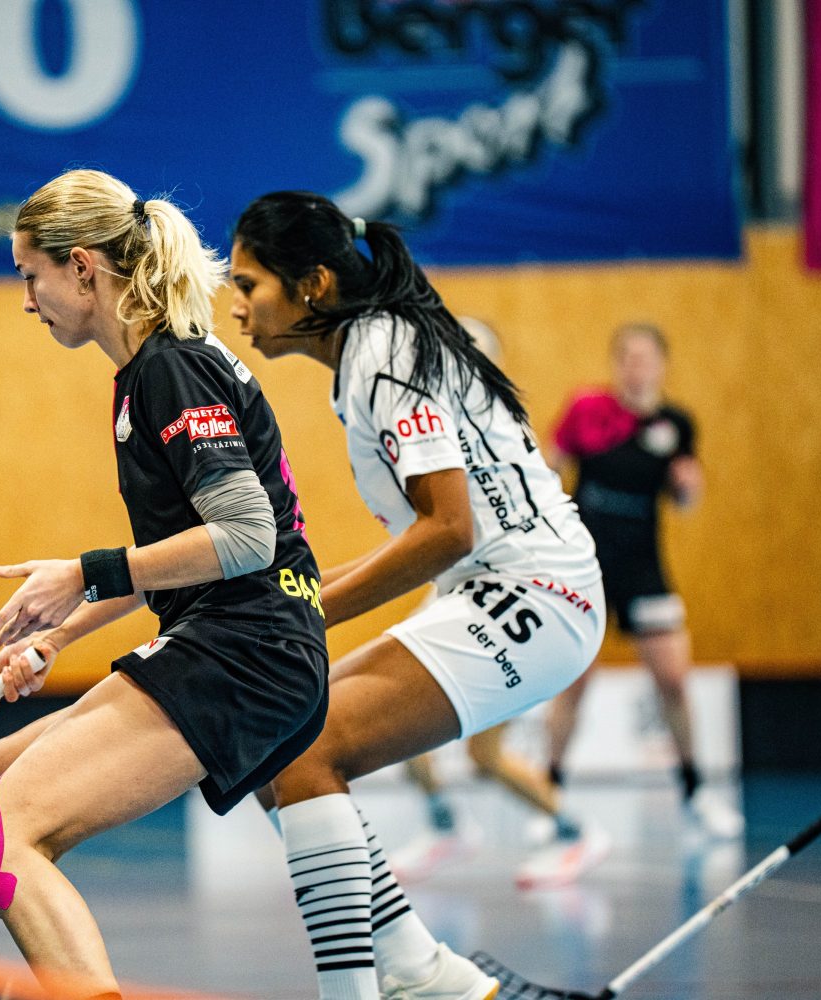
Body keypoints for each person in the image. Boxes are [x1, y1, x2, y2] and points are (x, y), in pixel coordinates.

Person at [0, 169, 329, 1000]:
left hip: (248, 652)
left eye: (30, 275)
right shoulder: (150, 375)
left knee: (4, 831)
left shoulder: (174, 370)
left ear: (82, 266)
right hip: (231, 639)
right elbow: (180, 549)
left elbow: (242, 538)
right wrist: (60, 630)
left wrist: (82, 573)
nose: (26, 299)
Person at [230, 192, 605, 1000]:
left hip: (535, 594)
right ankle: (422, 974)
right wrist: (283, 601)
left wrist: (308, 612)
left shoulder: (384, 351)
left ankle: (369, 989)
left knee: (303, 745)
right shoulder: (368, 354)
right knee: (270, 743)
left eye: (251, 285)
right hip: (492, 590)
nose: (237, 306)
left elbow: (447, 531)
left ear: (314, 286)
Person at [389, 319, 608, 891]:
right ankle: (446, 826)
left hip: (512, 599)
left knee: (484, 757)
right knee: (394, 717)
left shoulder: (499, 432)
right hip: (454, 587)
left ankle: (574, 832)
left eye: (470, 354)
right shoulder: (427, 427)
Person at [545, 324, 743, 840]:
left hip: (643, 563)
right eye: (628, 357)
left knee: (673, 680)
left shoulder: (675, 423)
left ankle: (696, 791)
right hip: (586, 564)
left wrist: (689, 490)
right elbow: (548, 463)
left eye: (646, 357)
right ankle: (550, 794)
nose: (637, 366)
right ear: (617, 364)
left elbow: (685, 498)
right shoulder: (588, 411)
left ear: (661, 364)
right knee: (575, 681)